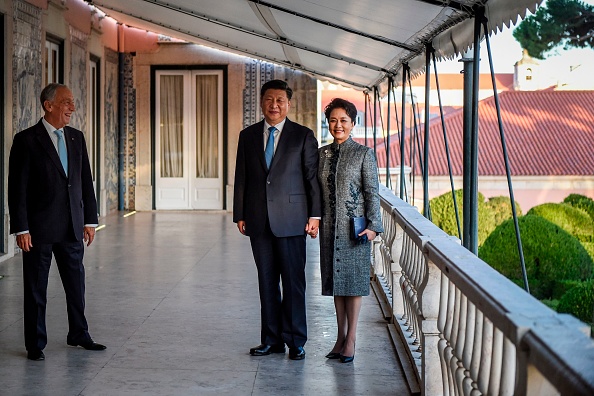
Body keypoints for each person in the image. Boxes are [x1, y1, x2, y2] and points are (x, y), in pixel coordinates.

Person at [8, 83, 105, 361]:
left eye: (72, 102)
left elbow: (85, 180)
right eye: (66, 102)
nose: (72, 108)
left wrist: (90, 220)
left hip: (72, 226)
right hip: (38, 230)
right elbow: (18, 189)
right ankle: (35, 344)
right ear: (48, 105)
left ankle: (79, 333)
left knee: (76, 284)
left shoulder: (76, 137)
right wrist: (21, 227)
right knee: (36, 288)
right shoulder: (26, 140)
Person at [233, 79, 321, 360]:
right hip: (258, 220)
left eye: (280, 100)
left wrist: (314, 215)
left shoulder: (303, 136)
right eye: (269, 99)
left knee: (294, 282)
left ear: (288, 104)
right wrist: (240, 213)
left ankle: (296, 341)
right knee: (267, 281)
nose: (274, 105)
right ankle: (271, 339)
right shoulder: (247, 136)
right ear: (261, 102)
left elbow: (312, 179)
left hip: (293, 220)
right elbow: (242, 178)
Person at [317, 98, 383, 363]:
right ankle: (339, 337)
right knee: (337, 284)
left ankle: (351, 339)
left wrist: (374, 227)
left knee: (353, 285)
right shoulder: (322, 154)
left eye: (343, 120)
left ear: (353, 123)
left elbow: (372, 192)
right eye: (333, 120)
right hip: (330, 229)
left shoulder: (364, 154)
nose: (338, 125)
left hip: (355, 229)